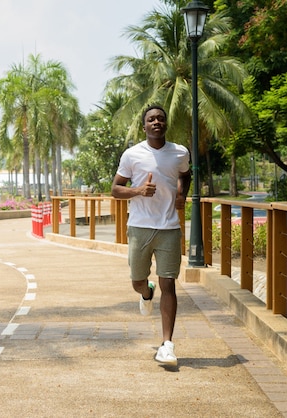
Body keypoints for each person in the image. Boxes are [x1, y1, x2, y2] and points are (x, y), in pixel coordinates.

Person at [111, 105, 191, 366]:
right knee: (137, 281)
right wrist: (137, 191)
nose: (156, 122)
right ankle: (146, 293)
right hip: (140, 227)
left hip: (169, 227)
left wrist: (182, 195)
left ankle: (167, 344)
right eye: (151, 119)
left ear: (165, 124)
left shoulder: (179, 152)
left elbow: (185, 174)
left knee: (169, 283)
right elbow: (115, 189)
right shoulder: (132, 155)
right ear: (144, 126)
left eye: (160, 118)